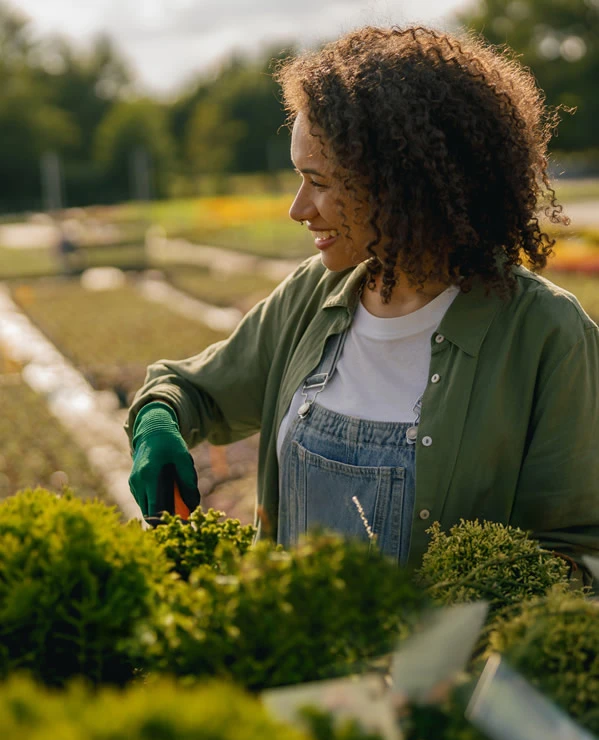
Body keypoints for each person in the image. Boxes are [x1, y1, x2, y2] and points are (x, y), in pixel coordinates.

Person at [126, 25, 599, 580]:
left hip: (444, 670)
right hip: (297, 661)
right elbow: (192, 390)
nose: (299, 209)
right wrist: (158, 420)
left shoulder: (546, 334)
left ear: (402, 185)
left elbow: (577, 548)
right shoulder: (314, 295)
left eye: (319, 181)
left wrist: (489, 600)